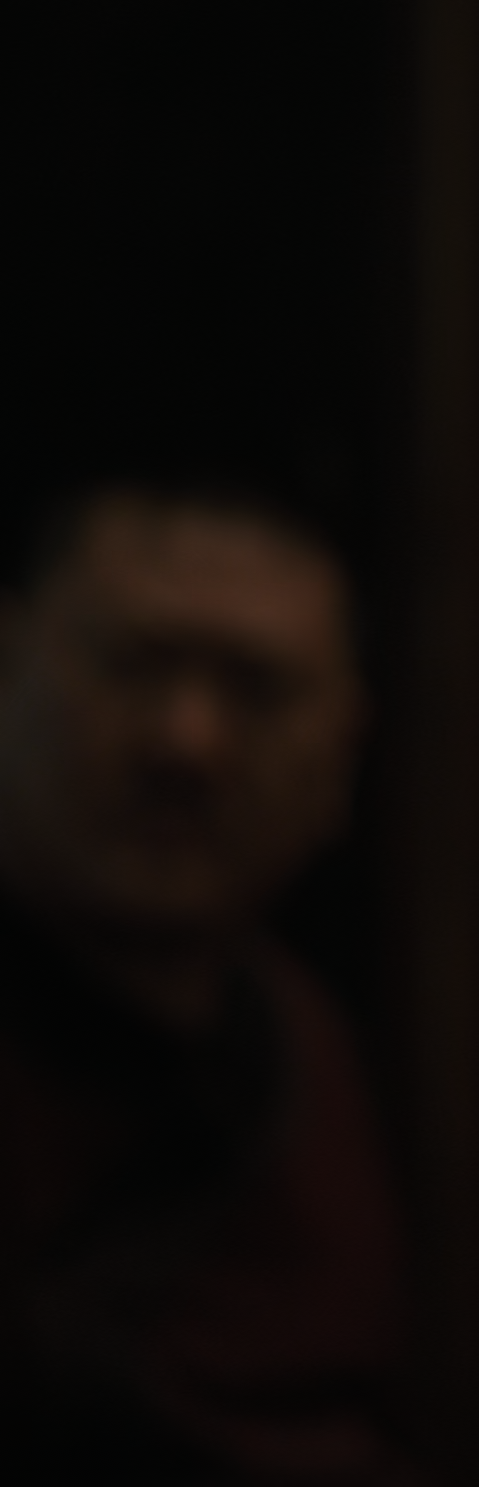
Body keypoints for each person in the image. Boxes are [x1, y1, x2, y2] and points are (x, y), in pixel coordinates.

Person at [0, 476, 414, 1483]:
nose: (186, 741)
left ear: (340, 758)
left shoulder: (302, 1051)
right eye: (132, 665)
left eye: (257, 689)